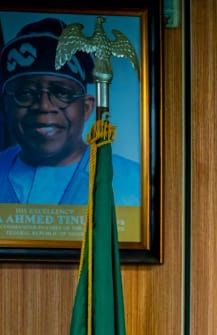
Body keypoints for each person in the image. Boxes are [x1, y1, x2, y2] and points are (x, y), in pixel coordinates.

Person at [0, 17, 141, 205]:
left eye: (61, 93)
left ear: (86, 108)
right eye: (25, 93)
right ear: (6, 105)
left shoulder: (134, 181)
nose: (44, 106)